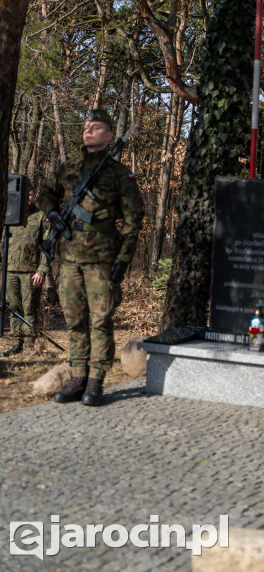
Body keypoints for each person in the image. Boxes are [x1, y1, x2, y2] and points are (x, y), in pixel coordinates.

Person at [38, 109, 144, 406]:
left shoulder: (120, 174)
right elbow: (46, 193)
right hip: (70, 258)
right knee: (74, 320)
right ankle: (77, 377)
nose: (88, 130)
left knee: (100, 321)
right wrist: (53, 213)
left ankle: (96, 381)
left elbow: (134, 217)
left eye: (95, 127)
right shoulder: (68, 167)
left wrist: (124, 257)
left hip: (101, 260)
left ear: (109, 136)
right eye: (86, 126)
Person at [1, 184, 48, 356]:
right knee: (13, 308)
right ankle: (16, 344)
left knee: (29, 310)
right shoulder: (10, 215)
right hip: (10, 271)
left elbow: (47, 247)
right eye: (26, 193)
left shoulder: (41, 216)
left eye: (31, 193)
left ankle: (29, 345)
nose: (28, 196)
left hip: (31, 272)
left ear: (35, 195)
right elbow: (2, 243)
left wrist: (41, 270)